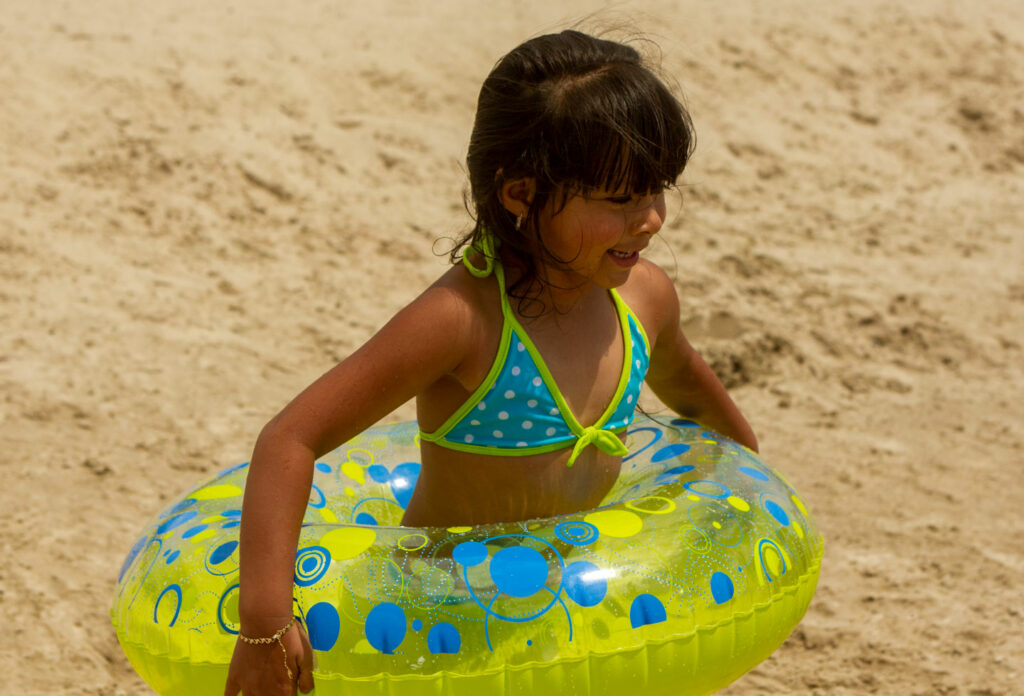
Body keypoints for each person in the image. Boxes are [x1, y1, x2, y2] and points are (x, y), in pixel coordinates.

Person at [224, 29, 757, 696]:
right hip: (436, 622)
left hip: (569, 601)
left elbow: (707, 410)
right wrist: (265, 625)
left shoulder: (645, 298)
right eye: (620, 200)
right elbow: (290, 438)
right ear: (519, 195)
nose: (651, 220)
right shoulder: (464, 321)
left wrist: (749, 505)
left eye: (658, 191)